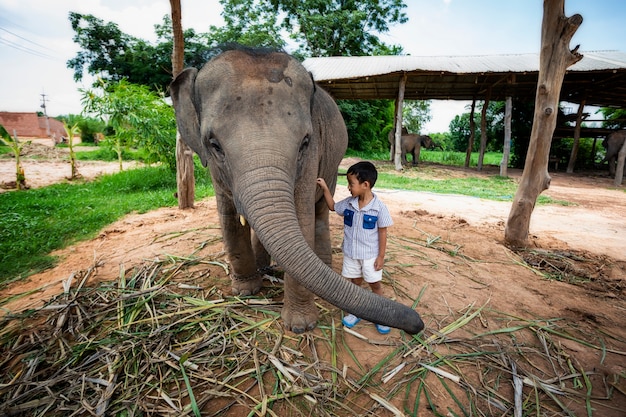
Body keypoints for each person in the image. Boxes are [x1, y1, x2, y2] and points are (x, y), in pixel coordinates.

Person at [316, 161, 393, 334]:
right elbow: (333, 207)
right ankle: (356, 311)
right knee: (355, 283)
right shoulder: (349, 203)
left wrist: (381, 256)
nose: (349, 188)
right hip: (351, 254)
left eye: (351, 184)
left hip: (370, 256)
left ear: (365, 185)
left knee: (375, 285)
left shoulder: (379, 208)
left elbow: (383, 233)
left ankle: (381, 314)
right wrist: (325, 189)